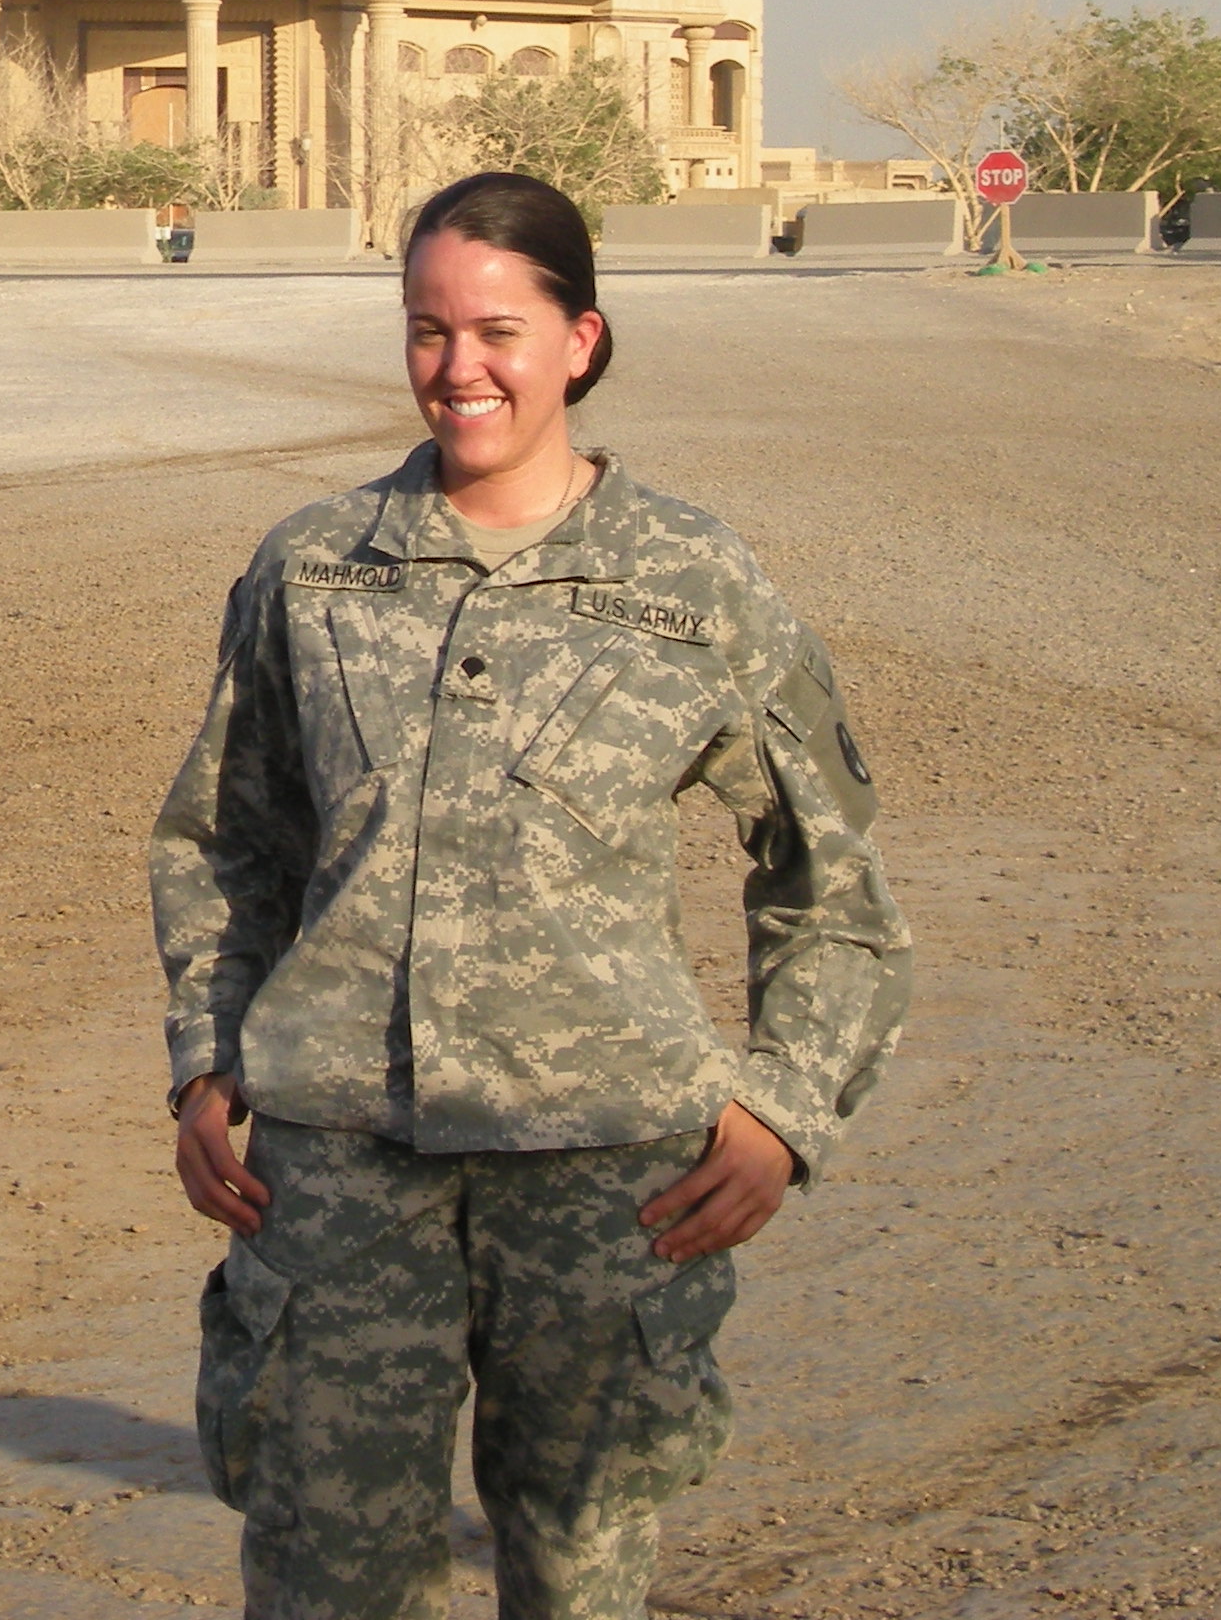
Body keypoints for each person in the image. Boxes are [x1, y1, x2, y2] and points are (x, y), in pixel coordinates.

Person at [148, 170, 913, 1620]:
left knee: (580, 1565)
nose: (460, 369)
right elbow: (223, 840)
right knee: (326, 1575)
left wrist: (785, 1108)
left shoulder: (692, 581)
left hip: (607, 1171)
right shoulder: (314, 568)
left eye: (499, 331)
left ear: (580, 340)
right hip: (340, 1166)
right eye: (428, 329)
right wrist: (207, 1057)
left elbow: (830, 874)